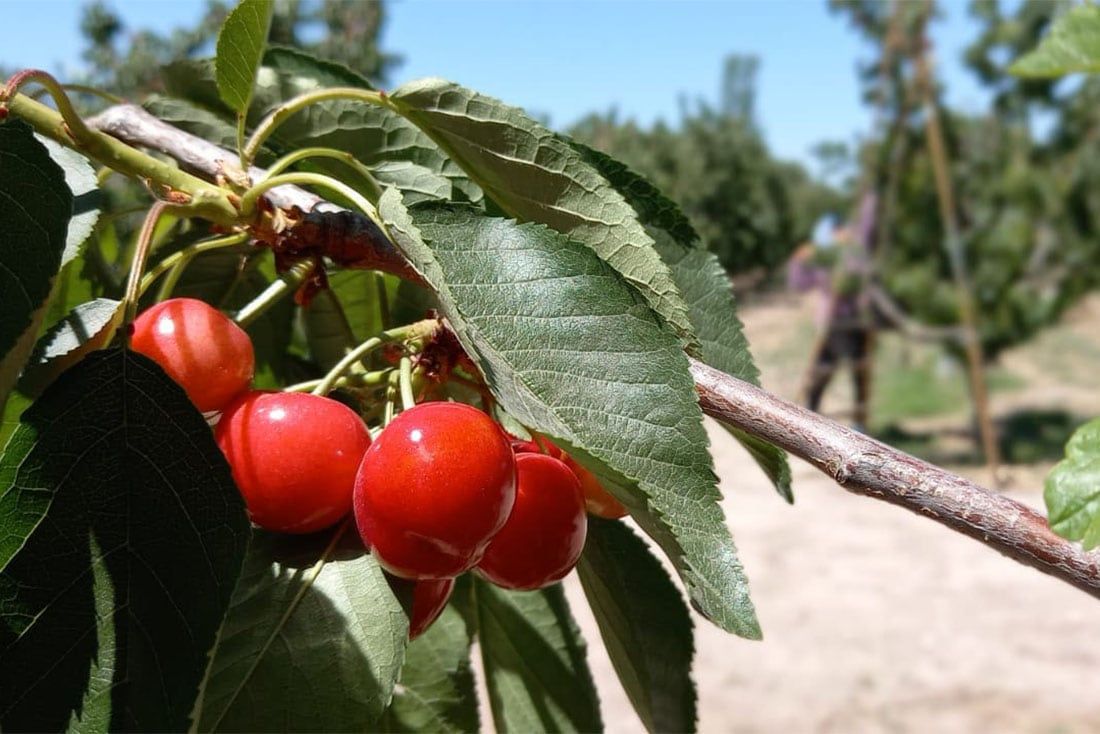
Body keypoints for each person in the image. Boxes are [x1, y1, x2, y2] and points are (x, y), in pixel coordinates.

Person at [788, 197, 877, 431]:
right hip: (833, 321)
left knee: (859, 371)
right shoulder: (826, 261)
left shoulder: (854, 250)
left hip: (856, 319)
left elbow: (866, 226)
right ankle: (811, 415)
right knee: (823, 370)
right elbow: (800, 284)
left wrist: (871, 196)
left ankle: (859, 422)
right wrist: (798, 262)